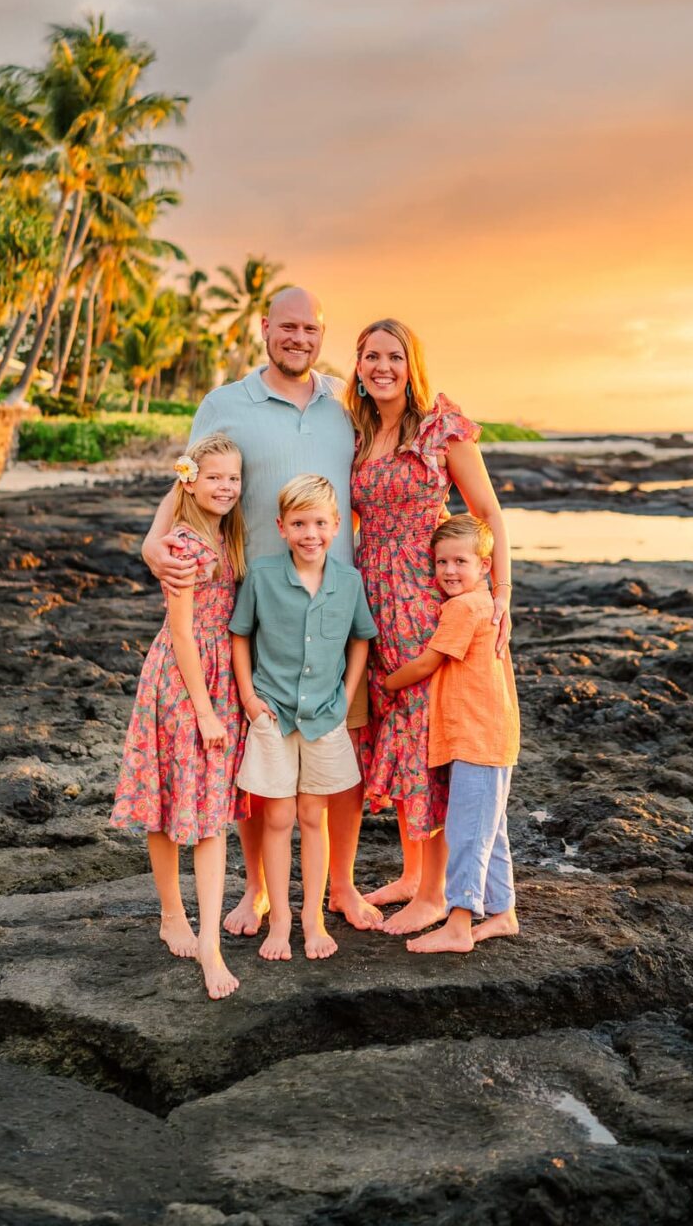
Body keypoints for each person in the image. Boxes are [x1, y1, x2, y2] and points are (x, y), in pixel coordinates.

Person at [141, 287, 382, 934]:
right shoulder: (224, 404)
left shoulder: (344, 402)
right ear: (265, 327)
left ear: (321, 334)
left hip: (332, 602)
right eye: (288, 326)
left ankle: (343, 888)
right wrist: (148, 542)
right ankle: (257, 892)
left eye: (311, 327)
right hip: (254, 610)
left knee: (341, 750)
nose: (298, 337)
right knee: (258, 760)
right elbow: (185, 481)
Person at [348, 319, 512, 936]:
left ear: (411, 364)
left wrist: (500, 594)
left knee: (427, 738)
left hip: (425, 597)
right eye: (370, 356)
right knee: (394, 732)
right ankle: (413, 875)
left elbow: (487, 512)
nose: (381, 366)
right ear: (358, 366)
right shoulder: (359, 431)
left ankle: (437, 892)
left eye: (393, 355)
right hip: (372, 596)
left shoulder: (441, 426)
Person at [110, 433, 246, 1001]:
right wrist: (207, 711)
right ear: (191, 482)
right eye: (214, 478)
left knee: (212, 813)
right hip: (183, 679)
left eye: (234, 479)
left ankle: (208, 938)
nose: (227, 488)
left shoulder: (228, 533)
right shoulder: (184, 545)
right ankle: (173, 915)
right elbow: (185, 633)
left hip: (221, 677)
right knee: (168, 803)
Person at [229, 474, 377, 961]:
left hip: (324, 716)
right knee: (277, 815)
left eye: (319, 523)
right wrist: (250, 698)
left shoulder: (349, 581)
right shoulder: (263, 575)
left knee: (313, 815)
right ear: (282, 527)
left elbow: (361, 638)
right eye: (299, 523)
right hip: (273, 713)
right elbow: (240, 636)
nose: (310, 533)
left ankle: (312, 918)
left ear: (337, 525)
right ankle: (281, 921)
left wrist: (347, 692)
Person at [382, 514, 521, 954]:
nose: (448, 571)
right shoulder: (483, 604)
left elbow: (427, 663)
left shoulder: (464, 608)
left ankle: (459, 924)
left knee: (465, 832)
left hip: (477, 737)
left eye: (461, 561)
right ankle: (502, 913)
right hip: (491, 734)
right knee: (489, 828)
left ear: (485, 567)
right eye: (441, 562)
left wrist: (386, 683)